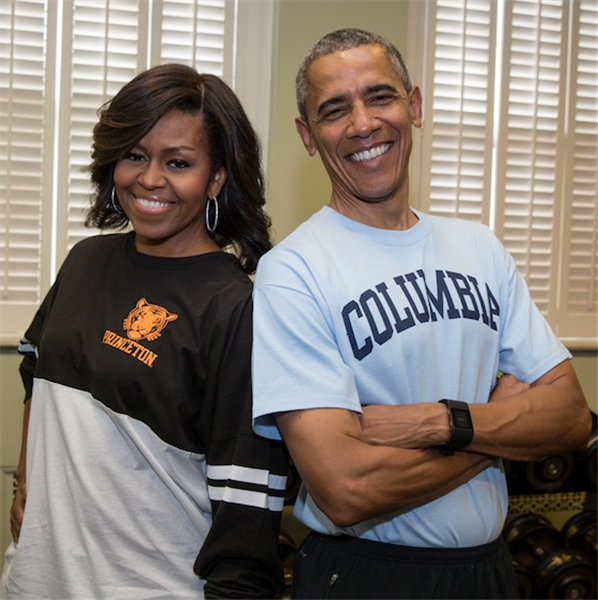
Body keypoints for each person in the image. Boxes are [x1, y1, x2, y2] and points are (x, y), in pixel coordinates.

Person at [251, 28, 591, 600]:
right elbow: (345, 489)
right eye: (335, 110)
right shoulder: (293, 272)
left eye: (380, 97)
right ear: (308, 137)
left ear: (415, 104)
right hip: (364, 573)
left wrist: (437, 422)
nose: (362, 123)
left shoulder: (478, 248)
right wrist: (495, 434)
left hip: (489, 569)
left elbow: (572, 417)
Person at [1, 64, 288, 600]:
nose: (150, 179)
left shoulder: (236, 307)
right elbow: (36, 372)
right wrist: (24, 482)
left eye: (178, 162)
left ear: (216, 178)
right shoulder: (85, 260)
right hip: (37, 578)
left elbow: (246, 507)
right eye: (135, 155)